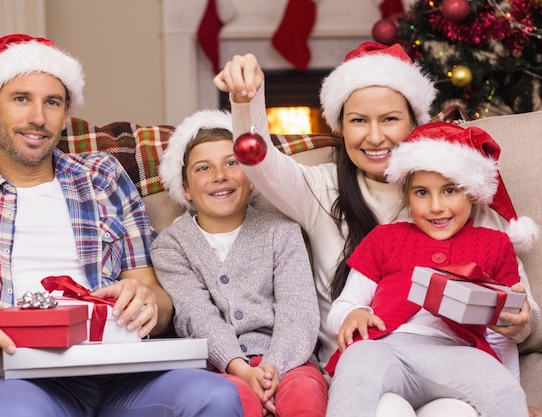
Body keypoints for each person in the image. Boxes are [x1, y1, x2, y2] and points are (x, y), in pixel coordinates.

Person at [0, 34, 242, 417]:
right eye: (21, 99)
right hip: (19, 380)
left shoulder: (104, 178)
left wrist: (150, 303)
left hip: (125, 374)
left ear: (66, 114)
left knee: (216, 397)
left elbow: (152, 288)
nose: (38, 118)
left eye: (52, 102)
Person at [213, 42, 540, 416]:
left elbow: (520, 310)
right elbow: (259, 161)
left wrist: (518, 324)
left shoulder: (465, 196)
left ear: (415, 123)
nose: (374, 137)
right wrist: (245, 101)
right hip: (369, 367)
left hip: (456, 364)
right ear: (338, 126)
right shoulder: (319, 190)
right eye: (358, 121)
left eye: (389, 119)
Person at [324, 122, 536, 416]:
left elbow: (502, 335)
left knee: (501, 391)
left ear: (472, 194)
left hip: (458, 355)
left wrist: (514, 393)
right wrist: (353, 314)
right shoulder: (386, 237)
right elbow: (342, 308)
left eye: (450, 190)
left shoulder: (494, 244)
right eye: (422, 193)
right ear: (407, 194)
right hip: (387, 348)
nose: (436, 206)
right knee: (356, 366)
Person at [150, 109, 328, 417]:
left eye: (232, 163)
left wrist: (274, 367)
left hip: (289, 361)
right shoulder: (170, 245)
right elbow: (196, 316)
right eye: (203, 168)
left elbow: (298, 312)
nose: (220, 175)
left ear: (252, 179)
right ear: (186, 189)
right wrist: (239, 368)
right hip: (216, 368)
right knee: (234, 400)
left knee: (305, 394)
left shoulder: (282, 232)